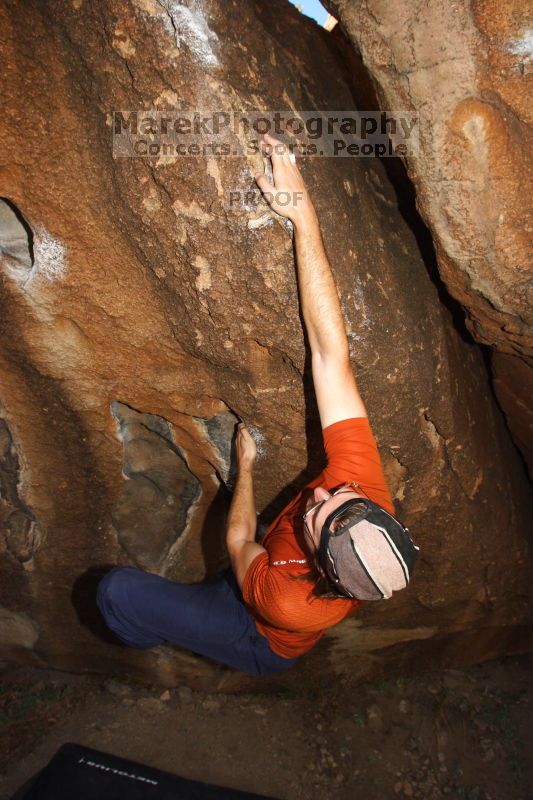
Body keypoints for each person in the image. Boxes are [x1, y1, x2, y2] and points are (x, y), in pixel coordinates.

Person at [96, 133, 418, 677]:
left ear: (317, 562)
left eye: (317, 513)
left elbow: (239, 539)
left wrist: (243, 468)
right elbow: (330, 355)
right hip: (263, 569)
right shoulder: (360, 486)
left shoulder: (290, 601)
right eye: (343, 496)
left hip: (255, 635)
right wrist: (304, 216)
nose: (320, 489)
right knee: (255, 552)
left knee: (116, 592)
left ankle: (145, 641)